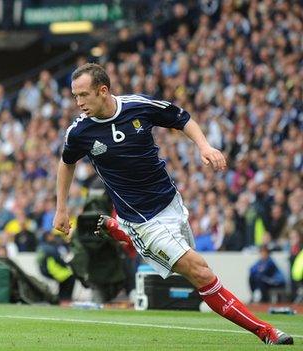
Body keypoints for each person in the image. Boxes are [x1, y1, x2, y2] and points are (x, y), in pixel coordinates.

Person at [54, 63, 293, 345]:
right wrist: (61, 208)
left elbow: (182, 118)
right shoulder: (80, 132)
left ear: (103, 90)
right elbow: (66, 163)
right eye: (75, 96)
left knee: (188, 268)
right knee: (200, 272)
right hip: (143, 221)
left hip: (171, 202)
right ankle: (265, 331)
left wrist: (204, 146)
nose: (79, 103)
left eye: (83, 95)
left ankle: (122, 233)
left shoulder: (138, 106)